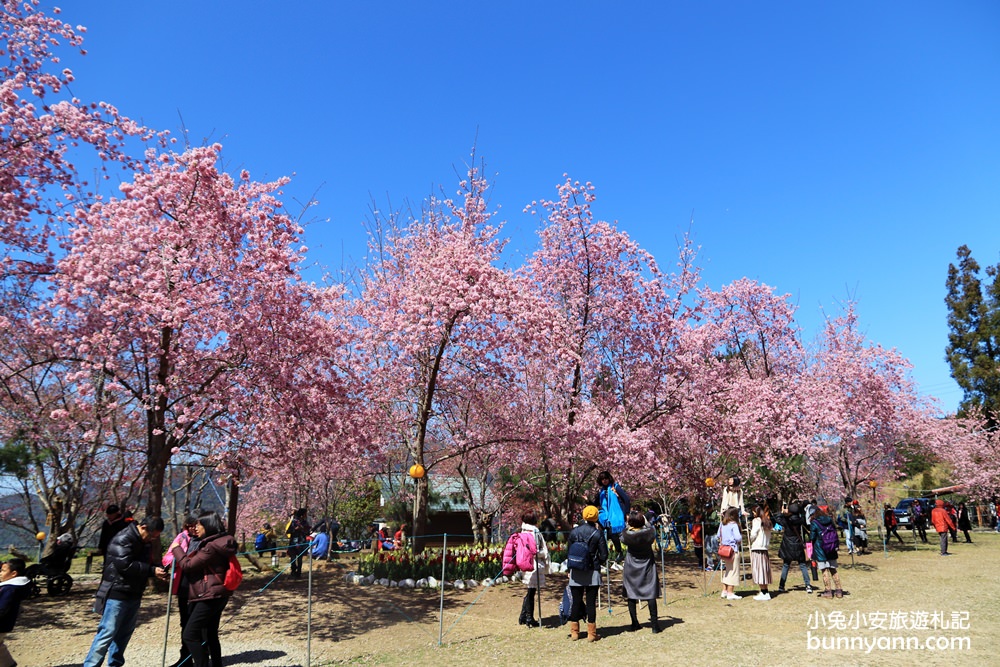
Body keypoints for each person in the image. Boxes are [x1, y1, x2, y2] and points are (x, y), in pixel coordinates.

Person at [84, 515, 167, 667]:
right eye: (151, 536)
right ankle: (91, 665)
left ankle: (115, 664)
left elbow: (144, 563)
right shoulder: (123, 538)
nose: (152, 540)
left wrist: (157, 568)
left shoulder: (144, 542)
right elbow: (125, 565)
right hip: (116, 593)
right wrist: (152, 570)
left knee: (123, 635)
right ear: (143, 527)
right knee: (107, 633)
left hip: (134, 593)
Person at [172, 511, 237, 667]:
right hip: (220, 593)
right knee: (211, 633)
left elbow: (188, 566)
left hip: (209, 594)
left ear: (208, 525)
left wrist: (177, 548)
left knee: (190, 634)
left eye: (199, 524)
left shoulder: (211, 547)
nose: (196, 528)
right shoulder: (221, 542)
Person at [567, 505, 608, 642]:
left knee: (576, 602)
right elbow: (604, 555)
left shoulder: (574, 532)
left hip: (576, 570)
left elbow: (569, 552)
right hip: (592, 571)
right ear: (596, 517)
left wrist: (569, 569)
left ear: (584, 516)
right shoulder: (597, 533)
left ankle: (574, 632)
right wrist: (597, 561)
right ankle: (591, 634)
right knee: (591, 602)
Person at [163, 516, 199, 667]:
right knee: (184, 622)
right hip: (183, 585)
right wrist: (174, 560)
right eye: (189, 525)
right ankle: (185, 659)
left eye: (194, 525)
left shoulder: (205, 538)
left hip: (199, 586)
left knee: (197, 625)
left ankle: (200, 657)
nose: (191, 528)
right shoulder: (182, 537)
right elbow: (168, 556)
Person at [621, 511, 660, 633]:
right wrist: (646, 521)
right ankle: (654, 626)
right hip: (647, 565)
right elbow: (652, 528)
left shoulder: (627, 535)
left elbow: (622, 534)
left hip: (631, 566)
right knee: (650, 594)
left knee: (631, 594)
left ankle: (634, 623)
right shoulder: (649, 533)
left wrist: (629, 524)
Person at [517, 511, 548, 628]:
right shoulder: (534, 531)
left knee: (530, 591)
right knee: (531, 592)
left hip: (524, 562)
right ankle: (529, 617)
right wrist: (543, 553)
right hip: (534, 564)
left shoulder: (523, 531)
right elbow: (536, 550)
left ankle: (523, 615)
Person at [594, 471, 629, 566]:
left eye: (606, 478)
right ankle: (604, 555)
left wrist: (627, 513)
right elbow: (595, 503)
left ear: (609, 478)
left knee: (616, 534)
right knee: (601, 534)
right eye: (602, 479)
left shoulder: (615, 487)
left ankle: (620, 552)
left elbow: (626, 499)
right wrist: (587, 500)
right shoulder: (601, 491)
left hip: (616, 515)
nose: (604, 481)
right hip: (605, 516)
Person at [0, 558, 30, 667]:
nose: (0, 573)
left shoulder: (9, 589)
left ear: (13, 573)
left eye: (3, 571)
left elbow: (3, 608)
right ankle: (8, 664)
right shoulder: (10, 587)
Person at [777, 502, 812, 594]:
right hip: (797, 544)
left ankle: (781, 586)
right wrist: (801, 510)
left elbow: (777, 519)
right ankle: (808, 585)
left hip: (787, 545)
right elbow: (804, 517)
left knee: (786, 565)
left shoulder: (786, 520)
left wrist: (782, 512)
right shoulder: (800, 520)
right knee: (802, 565)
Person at [810, 505, 843, 598]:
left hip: (821, 549)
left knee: (824, 570)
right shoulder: (829, 520)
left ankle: (828, 591)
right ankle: (839, 590)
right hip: (831, 547)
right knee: (833, 569)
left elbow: (812, 537)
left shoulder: (814, 523)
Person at [717, 507, 742, 600]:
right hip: (732, 550)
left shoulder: (722, 524)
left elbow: (718, 535)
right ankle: (730, 592)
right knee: (734, 571)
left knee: (727, 570)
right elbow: (738, 537)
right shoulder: (734, 525)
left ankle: (724, 590)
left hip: (724, 550)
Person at [749, 504, 772, 601]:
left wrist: (750, 538)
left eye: (754, 512)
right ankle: (765, 591)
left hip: (757, 548)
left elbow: (753, 534)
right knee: (764, 570)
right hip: (764, 548)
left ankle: (764, 592)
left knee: (759, 570)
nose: (753, 514)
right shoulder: (767, 522)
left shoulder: (756, 521)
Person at [286, 508, 310, 577]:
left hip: (301, 542)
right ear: (302, 514)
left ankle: (298, 572)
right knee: (293, 557)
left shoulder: (305, 522)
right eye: (305, 513)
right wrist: (295, 529)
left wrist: (302, 529)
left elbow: (308, 532)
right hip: (293, 542)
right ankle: (293, 571)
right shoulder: (294, 521)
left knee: (300, 558)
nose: (306, 515)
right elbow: (288, 531)